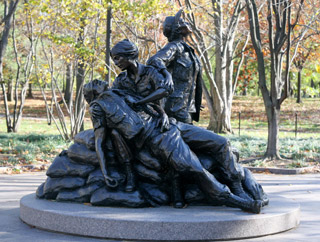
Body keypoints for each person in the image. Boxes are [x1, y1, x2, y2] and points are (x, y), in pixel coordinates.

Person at [83, 39, 264, 213]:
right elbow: (119, 121)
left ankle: (237, 186)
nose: (115, 62)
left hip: (170, 123)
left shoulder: (150, 73)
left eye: (118, 57)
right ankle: (237, 201)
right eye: (114, 58)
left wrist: (161, 113)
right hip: (157, 134)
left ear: (130, 55)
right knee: (195, 168)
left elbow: (160, 93)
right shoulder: (119, 85)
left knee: (221, 143)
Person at [147, 10, 202, 124]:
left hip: (188, 107)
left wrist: (196, 100)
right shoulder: (174, 47)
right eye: (181, 21)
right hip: (176, 107)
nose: (185, 23)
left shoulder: (188, 50)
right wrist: (166, 74)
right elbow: (154, 60)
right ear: (176, 28)